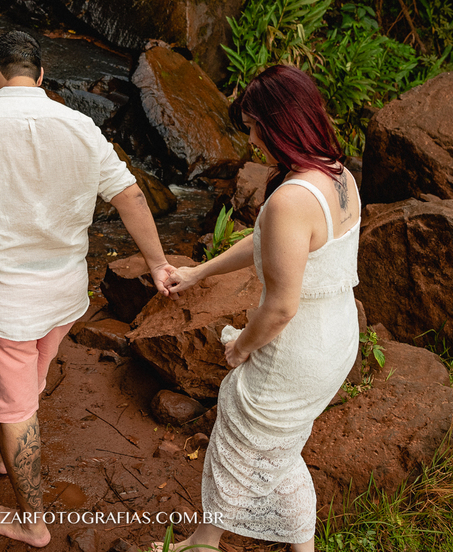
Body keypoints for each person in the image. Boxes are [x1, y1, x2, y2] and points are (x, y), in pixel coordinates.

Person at [0, 30, 171, 548]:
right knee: (23, 383)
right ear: (42, 75)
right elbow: (131, 196)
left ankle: (33, 522)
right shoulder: (80, 126)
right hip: (61, 297)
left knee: (17, 408)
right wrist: (159, 264)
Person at [159, 64, 361, 552]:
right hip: (338, 334)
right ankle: (273, 545)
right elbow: (267, 240)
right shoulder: (337, 175)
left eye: (253, 126)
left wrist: (240, 349)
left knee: (238, 435)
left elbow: (281, 307)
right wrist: (199, 272)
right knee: (275, 448)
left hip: (299, 347)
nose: (250, 138)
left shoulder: (293, 198)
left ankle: (205, 545)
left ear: (278, 124)